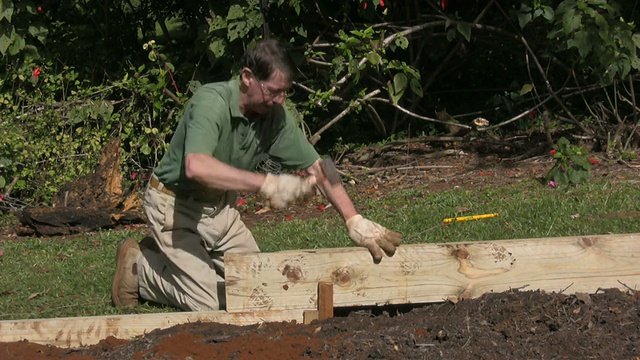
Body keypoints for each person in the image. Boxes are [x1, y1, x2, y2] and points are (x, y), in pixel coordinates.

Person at [111, 39, 403, 311]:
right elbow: (196, 167)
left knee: (262, 289)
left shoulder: (274, 116)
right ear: (248, 77)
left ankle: (181, 262)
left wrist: (354, 219)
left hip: (219, 211)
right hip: (174, 207)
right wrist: (268, 184)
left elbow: (320, 165)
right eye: (273, 91)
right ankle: (140, 269)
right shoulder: (210, 102)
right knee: (213, 303)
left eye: (284, 92)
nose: (279, 100)